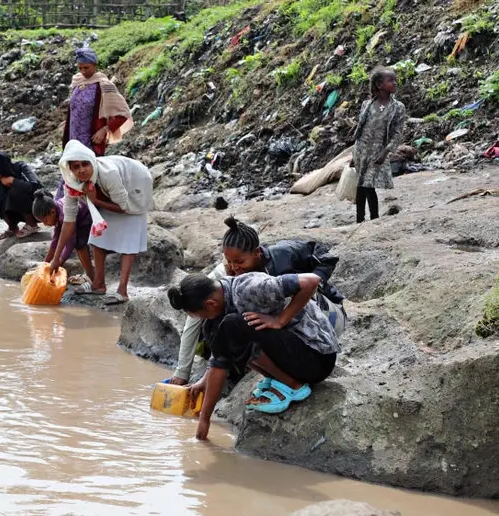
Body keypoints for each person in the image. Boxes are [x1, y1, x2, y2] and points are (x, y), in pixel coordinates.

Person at [169, 217, 347, 385]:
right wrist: (182, 372)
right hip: (285, 331)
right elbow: (195, 313)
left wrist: (283, 317)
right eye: (229, 262)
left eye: (239, 261)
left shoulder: (283, 255)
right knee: (225, 326)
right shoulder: (223, 274)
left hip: (322, 315)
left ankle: (291, 380)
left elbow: (323, 261)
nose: (234, 267)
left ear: (256, 253)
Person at [168, 272, 340, 440]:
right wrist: (204, 381)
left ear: (211, 304)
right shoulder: (224, 295)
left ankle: (293, 384)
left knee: (233, 325)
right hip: (294, 353)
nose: (204, 319)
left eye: (201, 316)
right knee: (219, 329)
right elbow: (220, 355)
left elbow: (311, 281)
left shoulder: (250, 289)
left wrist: (280, 320)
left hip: (317, 357)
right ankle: (280, 379)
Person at [50, 140, 153, 305]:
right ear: (70, 170)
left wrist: (96, 201)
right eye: (76, 167)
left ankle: (122, 291)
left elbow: (125, 207)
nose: (82, 170)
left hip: (135, 183)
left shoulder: (109, 173)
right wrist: (56, 258)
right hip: (105, 196)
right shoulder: (73, 185)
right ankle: (98, 284)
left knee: (129, 237)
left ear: (92, 162)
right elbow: (69, 222)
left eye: (85, 164)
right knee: (98, 237)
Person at [56, 46, 133, 199]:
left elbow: (122, 113)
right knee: (72, 170)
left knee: (88, 171)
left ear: (95, 65)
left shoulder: (103, 85)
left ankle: (94, 204)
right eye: (80, 68)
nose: (83, 71)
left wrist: (105, 129)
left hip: (90, 139)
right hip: (73, 138)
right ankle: (67, 205)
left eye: (86, 67)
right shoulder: (77, 82)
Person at [351, 66, 407, 223]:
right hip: (362, 149)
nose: (395, 83)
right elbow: (360, 129)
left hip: (378, 151)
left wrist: (385, 153)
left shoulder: (397, 107)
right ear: (379, 85)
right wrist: (353, 154)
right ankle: (359, 219)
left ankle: (374, 218)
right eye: (391, 81)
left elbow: (397, 133)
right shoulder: (367, 105)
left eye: (395, 80)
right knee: (361, 185)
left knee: (369, 185)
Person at [32, 189, 95, 285]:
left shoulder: (63, 214)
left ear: (52, 212)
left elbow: (71, 242)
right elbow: (55, 240)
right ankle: (90, 275)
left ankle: (91, 276)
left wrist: (59, 261)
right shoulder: (57, 212)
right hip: (76, 217)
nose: (44, 224)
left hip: (86, 216)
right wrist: (45, 264)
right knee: (71, 243)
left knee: (80, 245)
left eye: (45, 220)